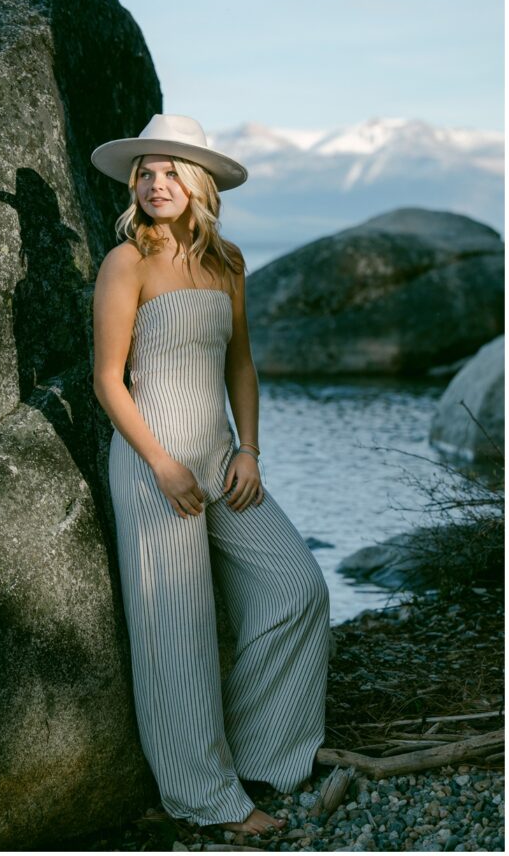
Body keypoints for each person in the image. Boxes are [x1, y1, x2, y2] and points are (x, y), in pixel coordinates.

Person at [91, 114, 330, 835]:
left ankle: (258, 752)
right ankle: (206, 799)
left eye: (169, 171)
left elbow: (240, 366)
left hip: (220, 459)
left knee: (296, 587)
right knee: (178, 631)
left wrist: (248, 450)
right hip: (150, 463)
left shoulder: (226, 261)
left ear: (197, 184)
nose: (154, 183)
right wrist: (161, 464)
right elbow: (107, 379)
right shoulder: (125, 262)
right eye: (145, 171)